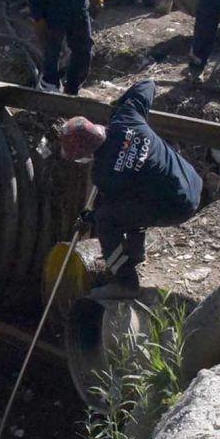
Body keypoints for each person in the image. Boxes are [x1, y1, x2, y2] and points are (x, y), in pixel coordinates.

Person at [57, 80, 202, 298]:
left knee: (106, 218)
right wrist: (120, 104)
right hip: (191, 181)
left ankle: (125, 282)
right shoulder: (127, 117)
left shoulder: (104, 174)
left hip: (177, 206)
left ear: (84, 153)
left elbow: (110, 208)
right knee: (138, 195)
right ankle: (134, 254)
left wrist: (90, 218)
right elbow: (148, 84)